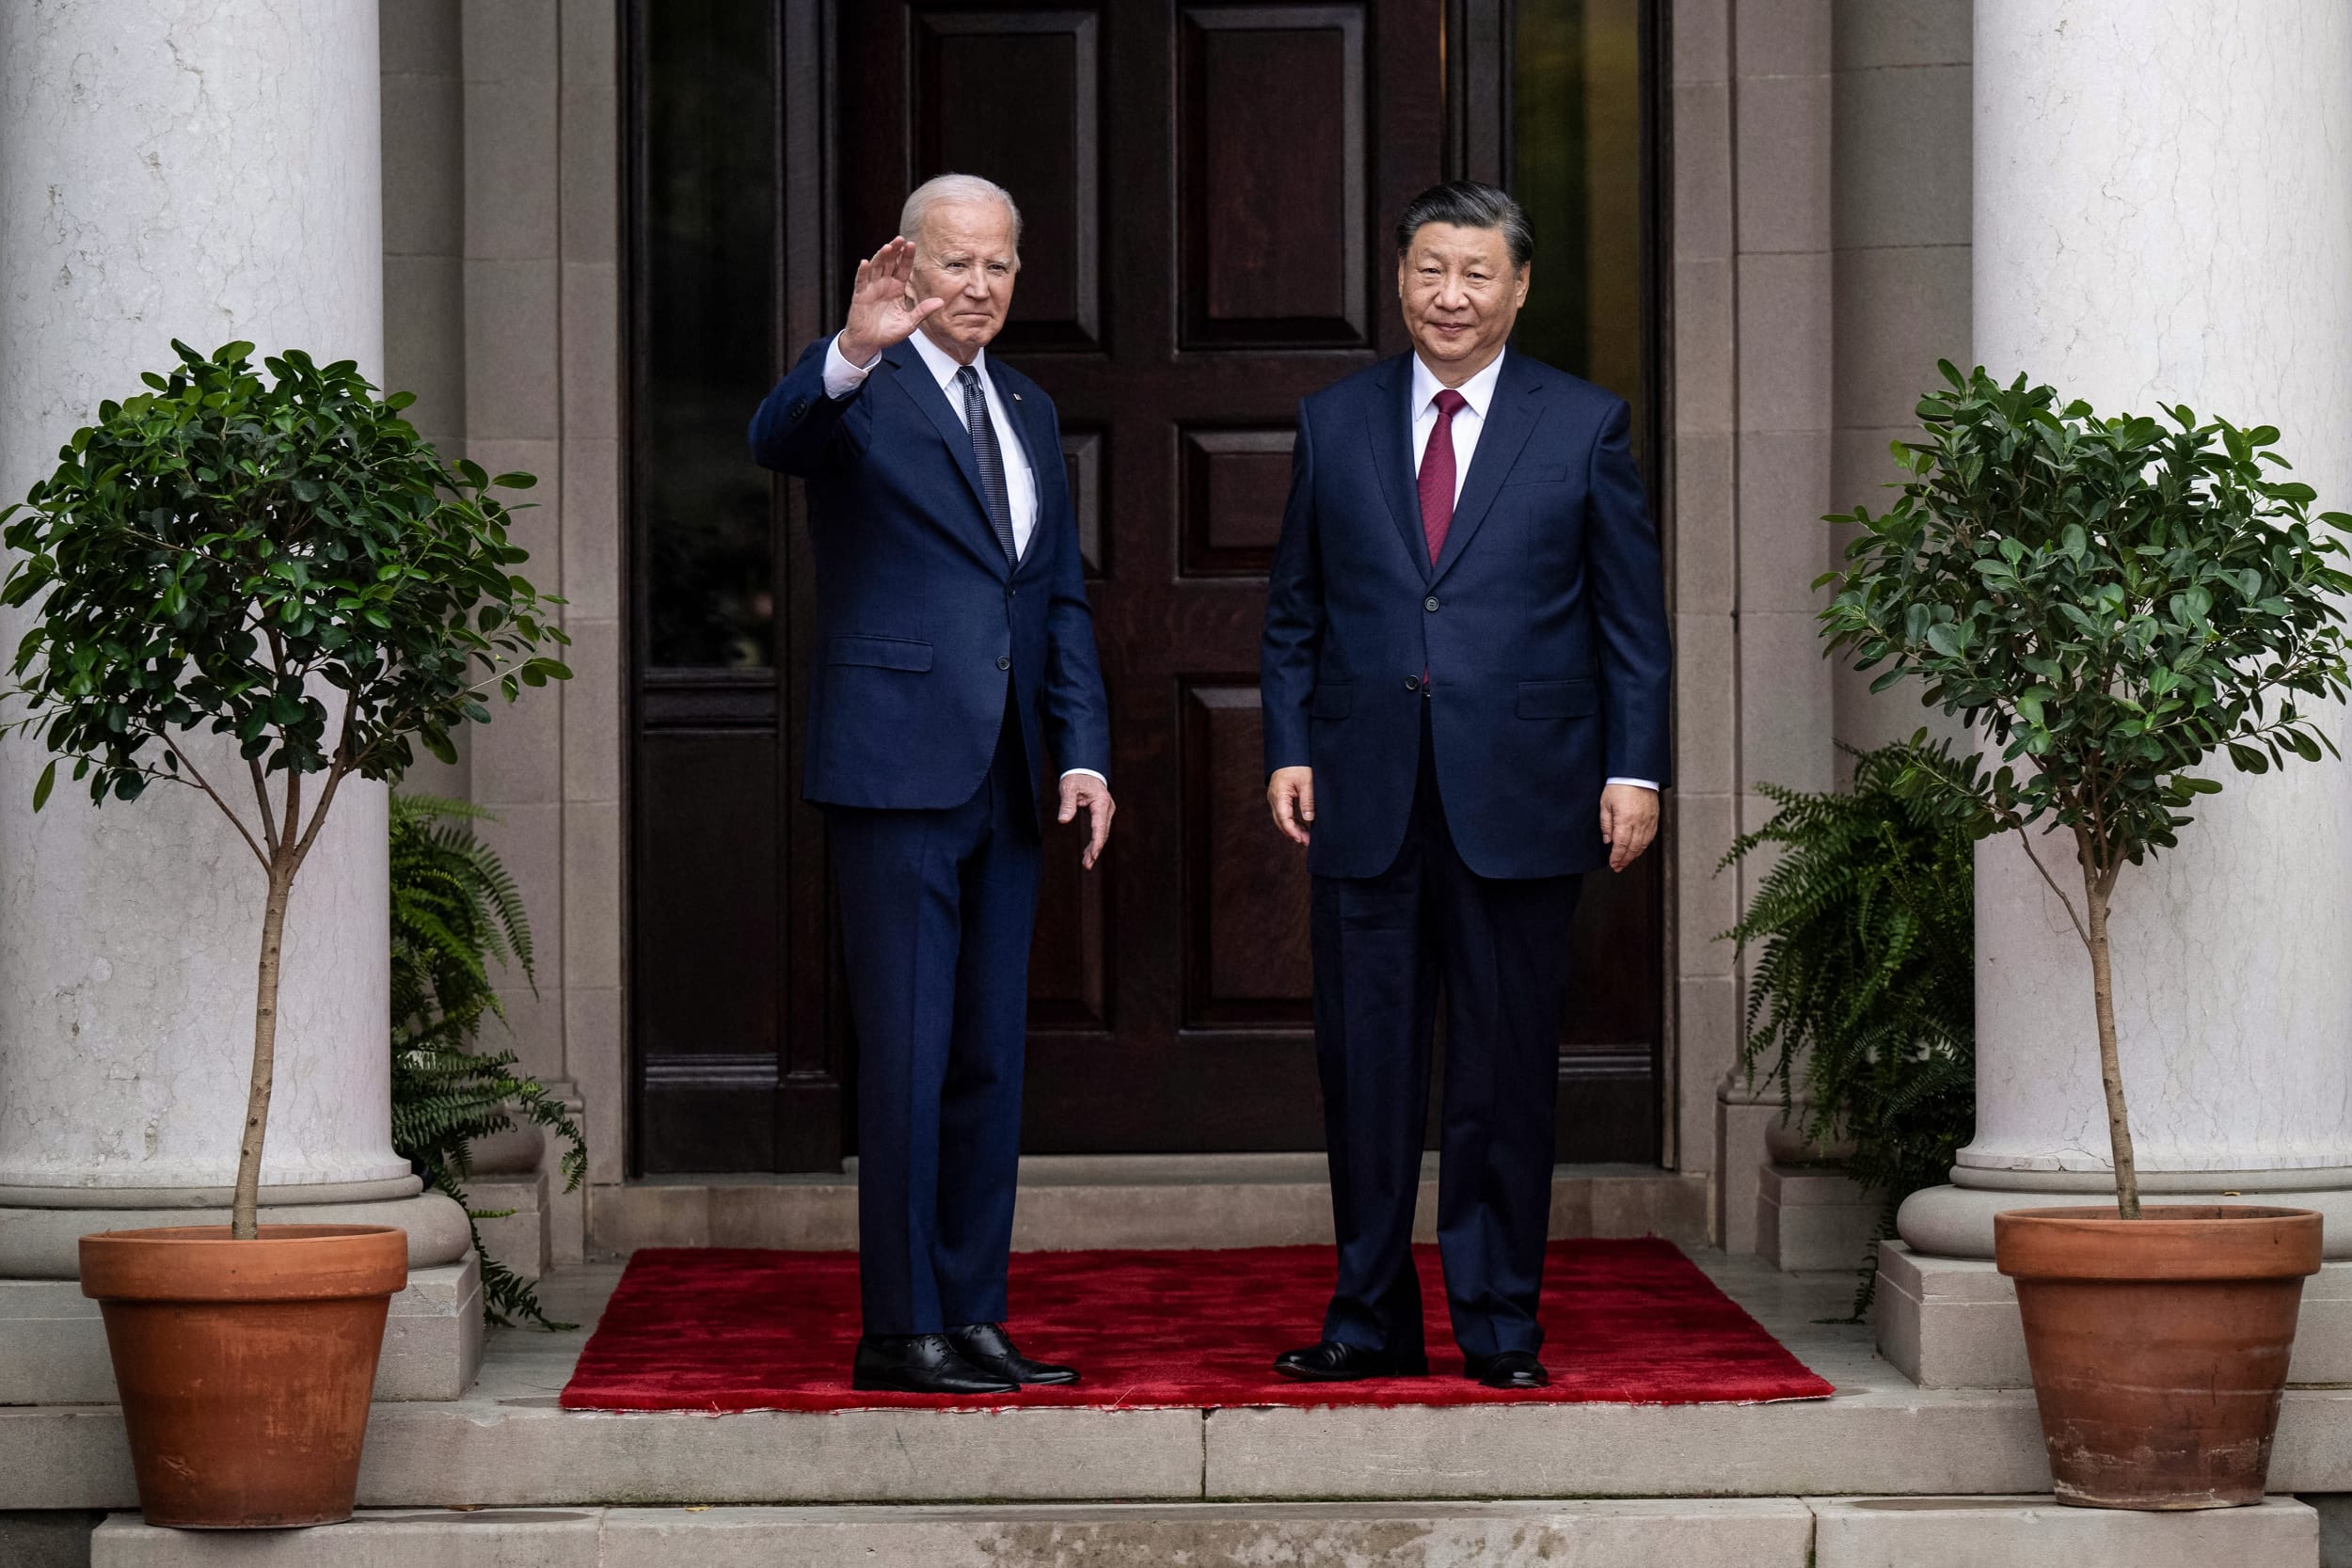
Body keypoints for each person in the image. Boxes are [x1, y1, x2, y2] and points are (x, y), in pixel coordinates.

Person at [1260, 180, 1671, 1390]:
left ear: (1519, 285)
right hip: (1364, 791)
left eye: (1475, 273)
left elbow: (1628, 623)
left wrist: (1633, 767)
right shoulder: (1333, 420)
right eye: (1430, 269)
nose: (1451, 294)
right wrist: (1290, 742)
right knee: (1367, 1072)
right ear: (1400, 278)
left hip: (1527, 792)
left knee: (1500, 1074)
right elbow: (1295, 609)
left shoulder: (1583, 423)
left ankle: (1498, 1324)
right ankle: (1367, 1318)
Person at [749, 173, 1114, 1396]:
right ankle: (899, 1326)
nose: (981, 286)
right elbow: (777, 437)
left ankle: (973, 1312)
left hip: (1009, 774)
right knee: (905, 1053)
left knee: (984, 1061)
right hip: (897, 767)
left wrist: (1082, 746)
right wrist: (851, 345)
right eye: (958, 263)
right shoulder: (862, 388)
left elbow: (1055, 593)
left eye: (1000, 265)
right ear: (908, 263)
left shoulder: (1027, 402)